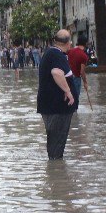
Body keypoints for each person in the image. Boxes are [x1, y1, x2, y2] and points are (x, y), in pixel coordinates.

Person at [37, 29, 77, 160]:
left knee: (54, 141)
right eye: (70, 40)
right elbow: (57, 73)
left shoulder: (51, 53)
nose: (71, 43)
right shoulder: (56, 55)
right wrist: (68, 92)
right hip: (57, 108)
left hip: (52, 106)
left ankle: (55, 173)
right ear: (67, 42)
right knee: (57, 143)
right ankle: (55, 171)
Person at [66, 34, 89, 100]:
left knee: (68, 98)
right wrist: (85, 82)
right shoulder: (83, 56)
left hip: (67, 77)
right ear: (86, 43)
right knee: (75, 98)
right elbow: (82, 72)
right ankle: (75, 110)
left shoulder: (70, 51)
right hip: (75, 78)